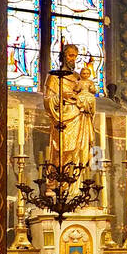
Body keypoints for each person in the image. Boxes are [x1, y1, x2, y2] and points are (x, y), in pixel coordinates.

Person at [43, 44, 96, 192]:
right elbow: (47, 100)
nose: (73, 59)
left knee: (78, 153)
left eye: (75, 56)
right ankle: (58, 188)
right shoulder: (54, 77)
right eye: (71, 55)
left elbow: (89, 96)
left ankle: (75, 188)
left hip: (79, 118)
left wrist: (86, 102)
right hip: (62, 119)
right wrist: (61, 96)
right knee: (62, 151)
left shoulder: (79, 78)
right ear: (63, 56)